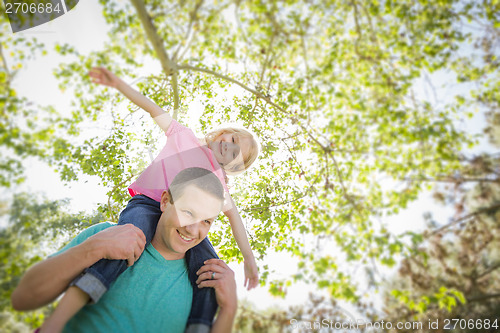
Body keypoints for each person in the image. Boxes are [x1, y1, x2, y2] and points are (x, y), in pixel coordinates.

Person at [37, 67, 260, 333]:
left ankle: (199, 325)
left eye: (236, 154)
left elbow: (234, 218)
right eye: (233, 139)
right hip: (148, 206)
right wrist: (118, 83)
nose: (230, 147)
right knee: (123, 242)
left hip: (186, 219)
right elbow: (153, 108)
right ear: (222, 132)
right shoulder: (184, 137)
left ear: (234, 167)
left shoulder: (219, 184)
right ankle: (60, 318)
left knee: (210, 270)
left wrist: (248, 258)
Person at [12, 167, 238, 333]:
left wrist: (229, 309)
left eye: (206, 221)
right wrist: (92, 249)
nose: (193, 229)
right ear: (165, 201)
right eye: (188, 212)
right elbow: (22, 299)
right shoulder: (108, 236)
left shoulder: (203, 279)